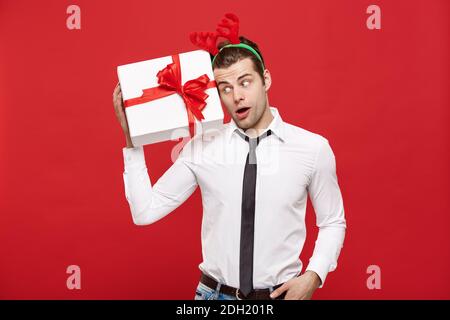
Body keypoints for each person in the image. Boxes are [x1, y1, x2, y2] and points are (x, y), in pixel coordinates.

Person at [112, 35, 346, 300]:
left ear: (265, 80)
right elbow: (144, 212)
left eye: (246, 82)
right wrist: (133, 141)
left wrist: (314, 276)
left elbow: (332, 221)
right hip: (214, 296)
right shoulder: (201, 147)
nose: (237, 96)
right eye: (225, 88)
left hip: (280, 296)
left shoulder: (312, 148)